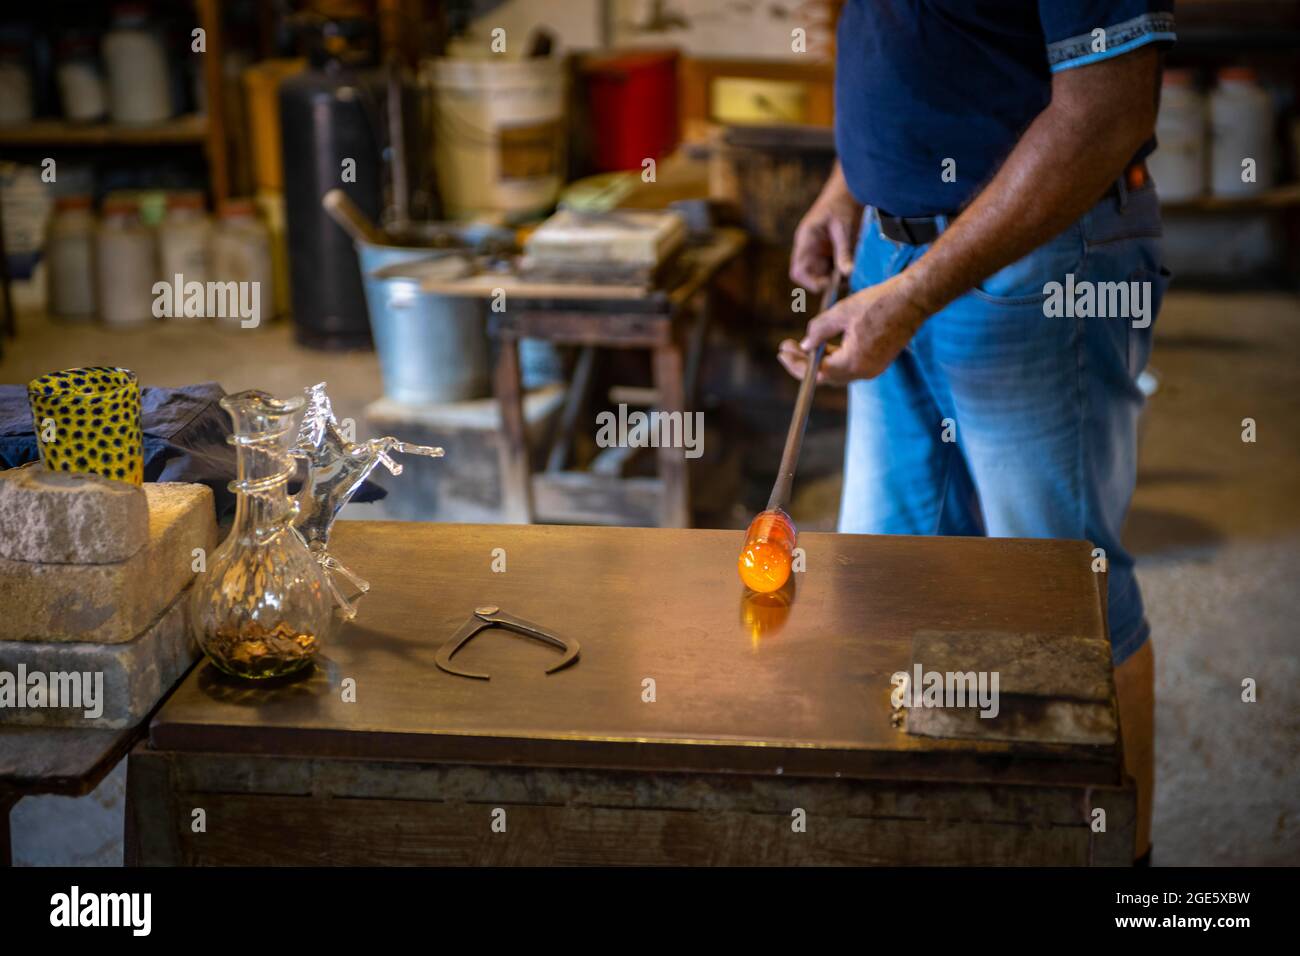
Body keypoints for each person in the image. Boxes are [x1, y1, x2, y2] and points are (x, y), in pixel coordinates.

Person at [784, 2, 1177, 864]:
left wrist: (916, 294)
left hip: (1042, 257)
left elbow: (1108, 109)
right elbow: (922, 45)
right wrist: (851, 183)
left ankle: (1124, 873)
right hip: (894, 248)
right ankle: (950, 836)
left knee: (1065, 597)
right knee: (891, 582)